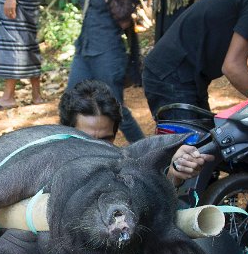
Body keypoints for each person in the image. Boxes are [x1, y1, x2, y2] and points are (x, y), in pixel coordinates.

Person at [60, 79, 212, 185]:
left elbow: (151, 199)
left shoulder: (123, 167)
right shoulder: (48, 170)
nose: (98, 147)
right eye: (87, 139)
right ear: (67, 131)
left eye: (106, 139)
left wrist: (175, 174)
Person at [66, 0, 145, 143]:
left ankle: (147, 154)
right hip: (84, 50)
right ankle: (68, 157)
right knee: (71, 105)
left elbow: (125, 20)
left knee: (115, 109)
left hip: (108, 52)